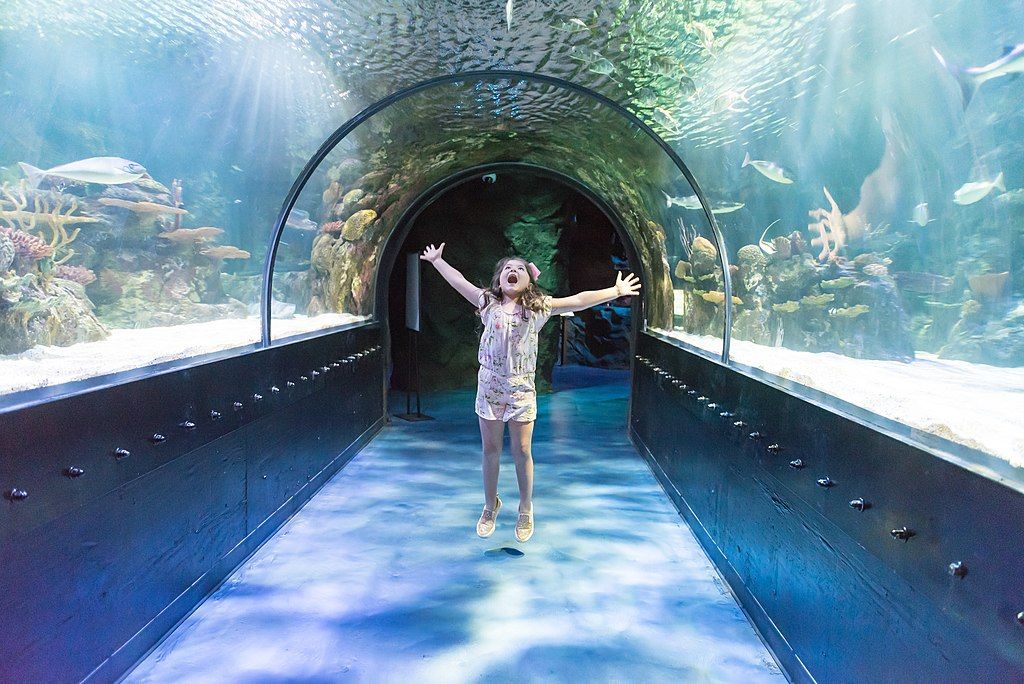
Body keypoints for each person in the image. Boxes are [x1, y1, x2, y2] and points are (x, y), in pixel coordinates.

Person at [420, 242, 642, 542]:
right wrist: (437, 262)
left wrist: (614, 292)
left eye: (520, 269)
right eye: (508, 269)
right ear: (499, 277)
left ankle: (525, 507)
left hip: (521, 386)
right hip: (490, 386)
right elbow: (460, 281)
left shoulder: (538, 308)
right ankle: (490, 505)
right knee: (490, 450)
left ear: (529, 280)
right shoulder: (487, 302)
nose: (513, 271)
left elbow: (577, 300)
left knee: (522, 450)